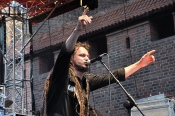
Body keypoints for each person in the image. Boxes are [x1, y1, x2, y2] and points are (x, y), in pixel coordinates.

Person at [42, 8, 156, 116]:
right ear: (71, 59)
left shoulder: (86, 81)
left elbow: (115, 76)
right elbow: (65, 53)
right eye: (82, 55)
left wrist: (140, 64)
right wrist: (77, 31)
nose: (86, 58)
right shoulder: (61, 75)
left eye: (87, 55)